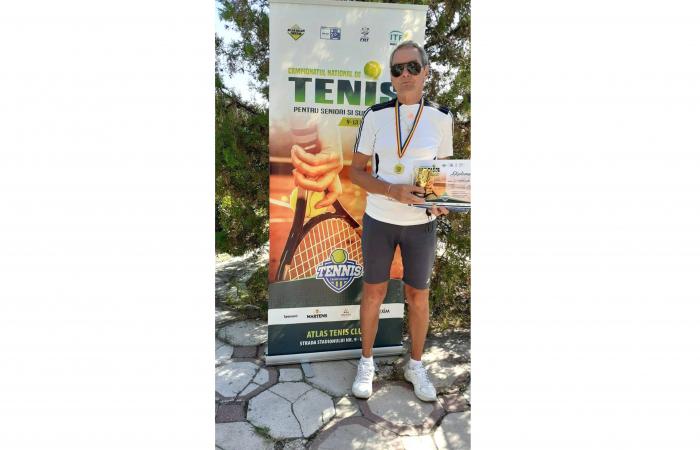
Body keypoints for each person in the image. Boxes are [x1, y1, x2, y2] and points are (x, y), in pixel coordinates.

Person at [349, 40, 453, 402]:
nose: (405, 74)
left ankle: (416, 365)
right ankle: (366, 362)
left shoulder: (441, 118)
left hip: (420, 225)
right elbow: (355, 172)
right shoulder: (375, 116)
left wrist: (440, 201)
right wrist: (392, 191)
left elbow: (442, 176)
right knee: (374, 292)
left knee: (418, 296)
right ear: (391, 77)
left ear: (426, 72)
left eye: (412, 67)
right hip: (379, 219)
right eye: (397, 69)